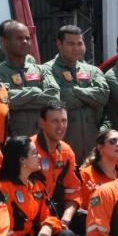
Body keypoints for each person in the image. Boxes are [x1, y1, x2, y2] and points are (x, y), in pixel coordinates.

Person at [42, 25, 109, 154]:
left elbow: (103, 96)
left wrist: (75, 91)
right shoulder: (46, 70)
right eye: (70, 44)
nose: (76, 48)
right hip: (63, 143)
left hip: (91, 141)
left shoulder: (93, 70)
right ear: (59, 44)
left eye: (79, 43)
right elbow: (58, 100)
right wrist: (89, 97)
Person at [0, 20, 60, 137]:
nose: (25, 41)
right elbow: (5, 99)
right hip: (15, 137)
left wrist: (21, 102)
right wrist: (35, 91)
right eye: (19, 38)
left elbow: (54, 97)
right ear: (5, 42)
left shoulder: (41, 70)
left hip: (43, 136)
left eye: (27, 38)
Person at [30, 101, 82, 230]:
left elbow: (74, 190)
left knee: (89, 220)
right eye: (55, 121)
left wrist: (66, 219)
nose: (61, 126)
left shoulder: (66, 151)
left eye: (64, 121)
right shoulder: (28, 149)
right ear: (42, 123)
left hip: (56, 210)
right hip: (33, 214)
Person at [78, 129, 118, 210]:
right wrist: (97, 196)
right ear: (100, 147)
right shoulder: (85, 174)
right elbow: (81, 207)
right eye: (113, 141)